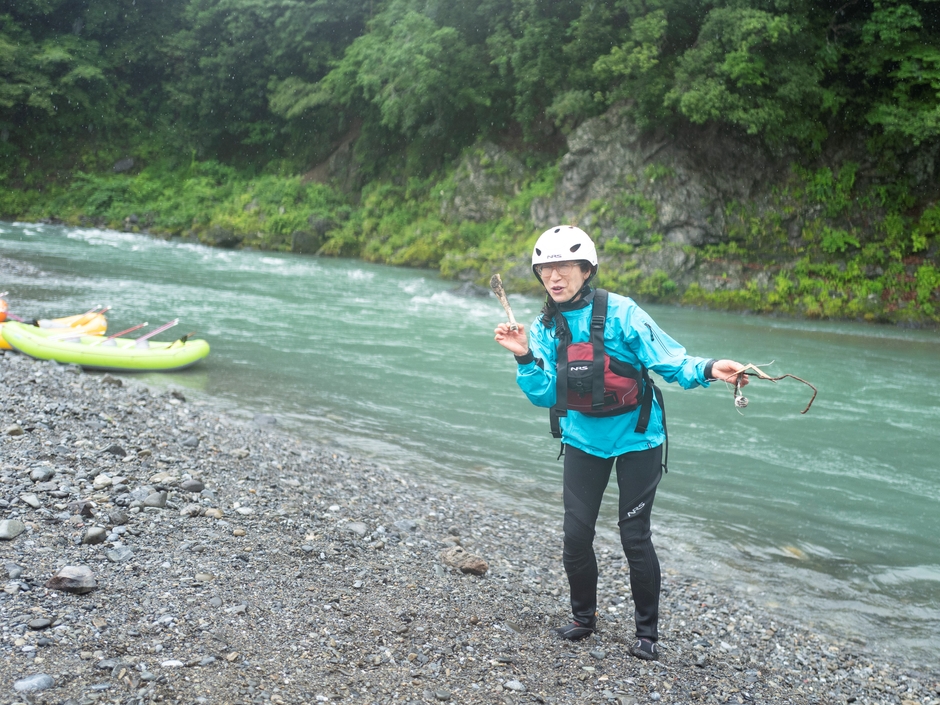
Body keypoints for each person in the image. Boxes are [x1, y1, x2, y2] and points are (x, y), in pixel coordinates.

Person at [493, 225, 748, 661]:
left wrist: (710, 369)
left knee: (634, 536)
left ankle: (647, 634)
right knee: (575, 536)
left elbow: (670, 361)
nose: (554, 277)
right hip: (582, 438)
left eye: (563, 267)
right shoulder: (542, 326)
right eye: (545, 270)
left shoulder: (623, 312)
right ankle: (582, 619)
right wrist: (522, 354)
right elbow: (543, 394)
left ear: (586, 269)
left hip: (638, 439)